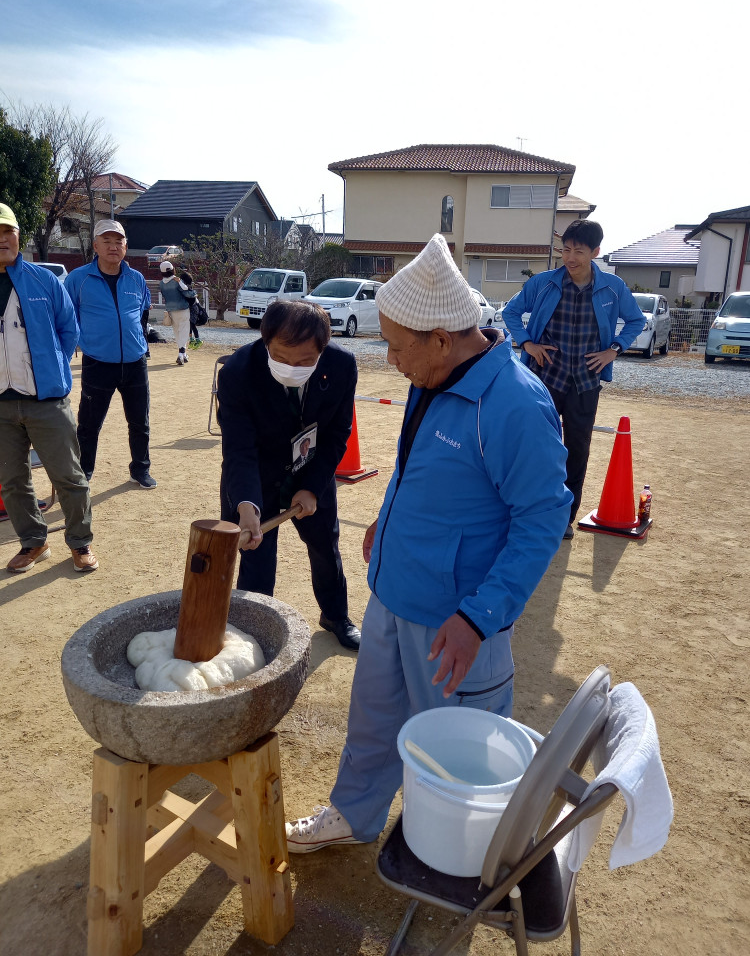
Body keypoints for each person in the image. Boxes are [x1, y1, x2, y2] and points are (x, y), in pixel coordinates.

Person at [285, 233, 571, 852]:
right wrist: (386, 525)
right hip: (393, 594)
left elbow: (543, 519)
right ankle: (354, 815)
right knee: (373, 721)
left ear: (441, 338)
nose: (391, 360)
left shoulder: (515, 405)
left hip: (456, 621)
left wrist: (479, 616)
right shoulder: (432, 375)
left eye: (395, 346)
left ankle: (454, 851)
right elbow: (418, 467)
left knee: (457, 752)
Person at [218, 298, 361, 651]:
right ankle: (256, 634)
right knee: (256, 557)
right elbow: (239, 447)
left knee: (325, 548)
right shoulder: (237, 372)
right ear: (265, 341)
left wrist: (313, 487)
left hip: (311, 469)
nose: (292, 367)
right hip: (256, 476)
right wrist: (246, 505)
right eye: (281, 357)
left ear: (322, 350)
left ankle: (335, 614)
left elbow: (337, 432)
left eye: (306, 361)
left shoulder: (342, 365)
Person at [502, 219, 645, 539]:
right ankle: (527, 511)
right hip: (544, 379)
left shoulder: (612, 287)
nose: (570, 257)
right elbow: (511, 312)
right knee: (535, 446)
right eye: (565, 250)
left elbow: (636, 320)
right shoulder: (542, 283)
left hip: (585, 381)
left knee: (577, 449)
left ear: (595, 252)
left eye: (578, 251)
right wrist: (527, 344)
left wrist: (614, 349)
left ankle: (564, 518)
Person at [0, 202, 98, 573]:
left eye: (7, 231)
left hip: (46, 400)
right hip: (1, 405)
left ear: (18, 237)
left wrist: (51, 366)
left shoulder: (44, 281)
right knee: (12, 481)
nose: (2, 240)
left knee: (68, 476)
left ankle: (80, 543)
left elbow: (68, 329)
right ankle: (33, 543)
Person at [65, 219, 155, 488]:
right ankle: (84, 472)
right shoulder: (78, 278)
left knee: (140, 422)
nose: (113, 246)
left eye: (119, 241)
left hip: (135, 362)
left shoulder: (136, 278)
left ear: (126, 246)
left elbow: (141, 312)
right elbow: (67, 317)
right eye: (107, 241)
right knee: (89, 425)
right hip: (98, 363)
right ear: (95, 245)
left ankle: (140, 469)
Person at [160, 262, 195, 364]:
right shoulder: (176, 281)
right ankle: (181, 354)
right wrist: (194, 293)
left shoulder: (161, 284)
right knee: (184, 332)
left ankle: (184, 355)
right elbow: (187, 293)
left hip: (171, 311)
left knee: (177, 332)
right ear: (172, 269)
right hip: (183, 309)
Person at [181, 271, 202, 347]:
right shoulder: (189, 287)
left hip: (193, 309)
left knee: (192, 325)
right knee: (189, 325)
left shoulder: (187, 288)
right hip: (191, 308)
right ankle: (191, 340)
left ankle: (198, 340)